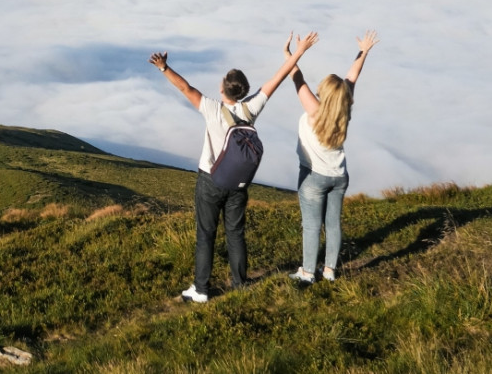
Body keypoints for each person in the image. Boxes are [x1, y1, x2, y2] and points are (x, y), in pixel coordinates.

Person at [150, 32, 319, 303]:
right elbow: (277, 78)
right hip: (238, 184)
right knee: (236, 233)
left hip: (209, 180)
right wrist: (298, 52)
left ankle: (201, 289)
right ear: (243, 90)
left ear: (222, 89)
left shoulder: (212, 109)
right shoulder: (252, 108)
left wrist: (163, 67)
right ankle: (240, 284)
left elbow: (185, 88)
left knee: (206, 234)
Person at [287, 30, 379, 283]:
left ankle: (307, 272)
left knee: (311, 225)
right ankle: (329, 271)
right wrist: (364, 52)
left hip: (313, 176)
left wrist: (294, 53)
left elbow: (296, 78)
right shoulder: (344, 105)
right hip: (339, 175)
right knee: (334, 224)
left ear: (324, 94)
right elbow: (352, 76)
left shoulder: (314, 110)